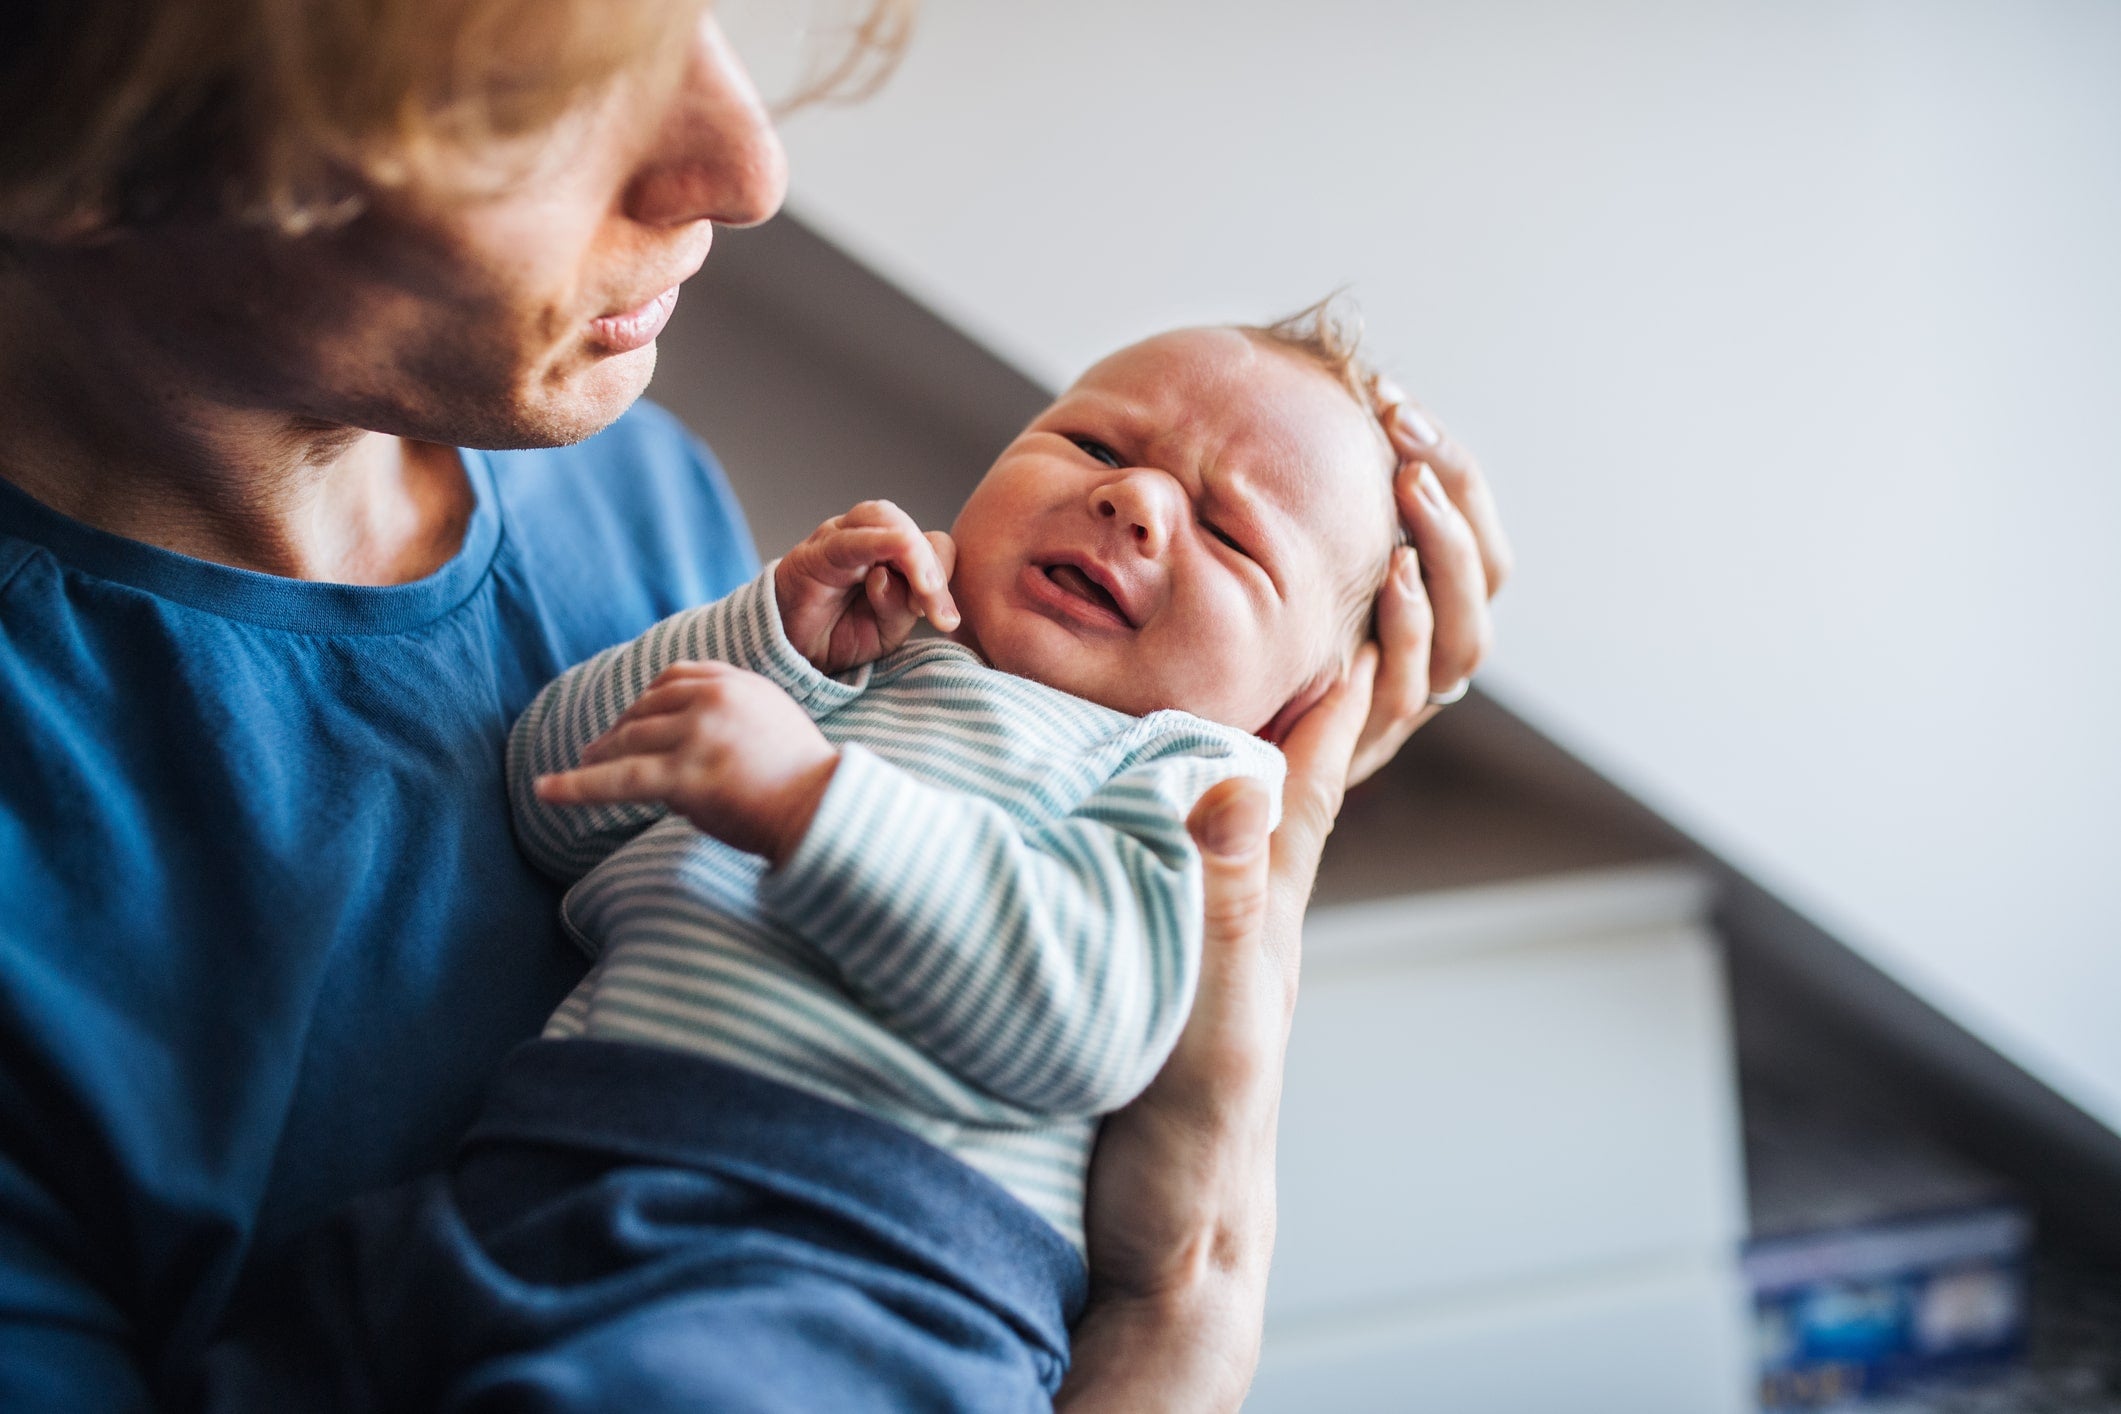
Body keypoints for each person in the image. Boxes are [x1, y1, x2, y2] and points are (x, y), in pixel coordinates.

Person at [0, 2, 1511, 1409]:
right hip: (526, 1216)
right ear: (82, 150)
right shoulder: (834, 635)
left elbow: (1065, 1010)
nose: (748, 168)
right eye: (537, 99)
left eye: (701, 12)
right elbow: (564, 791)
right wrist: (1177, 1316)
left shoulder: (640, 492)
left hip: (844, 1250)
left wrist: (1194, 1248)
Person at [201, 312, 1398, 1408]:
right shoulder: (865, 646)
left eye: (1233, 531)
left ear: (1292, 707)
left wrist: (808, 798)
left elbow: (1085, 1015)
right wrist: (765, 636)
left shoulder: (1191, 780)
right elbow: (552, 800)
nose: (1133, 500)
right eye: (1090, 442)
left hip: (860, 1270)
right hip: (536, 1173)